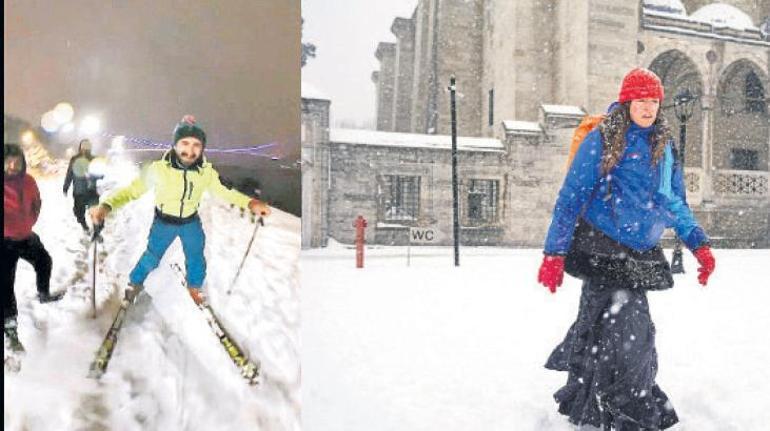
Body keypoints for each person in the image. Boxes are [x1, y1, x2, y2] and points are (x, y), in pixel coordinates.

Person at [537, 68, 716, 430]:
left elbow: (672, 201)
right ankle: (629, 410)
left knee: (607, 330)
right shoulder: (603, 139)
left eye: (654, 101)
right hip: (601, 248)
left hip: (639, 254)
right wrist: (553, 253)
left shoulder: (663, 145)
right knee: (627, 332)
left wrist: (699, 244)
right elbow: (571, 197)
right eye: (641, 100)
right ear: (627, 102)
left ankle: (599, 407)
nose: (648, 108)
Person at [89, 115, 271, 305]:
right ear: (175, 145)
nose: (190, 150)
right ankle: (134, 283)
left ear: (202, 148)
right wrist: (106, 206)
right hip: (163, 222)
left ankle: (194, 286)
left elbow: (227, 193)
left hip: (190, 222)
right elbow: (131, 191)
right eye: (185, 143)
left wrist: (251, 204)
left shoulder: (206, 173)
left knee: (196, 256)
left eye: (196, 145)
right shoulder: (158, 170)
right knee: (151, 256)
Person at [3, 143, 65, 335]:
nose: (13, 166)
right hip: (5, 241)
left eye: (17, 162)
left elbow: (37, 203)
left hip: (26, 236)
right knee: (5, 281)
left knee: (44, 261)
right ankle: (9, 318)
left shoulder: (29, 181)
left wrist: (30, 221)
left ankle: (43, 293)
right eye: (8, 162)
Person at [63, 139, 100, 232]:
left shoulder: (94, 159)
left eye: (87, 147)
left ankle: (96, 229)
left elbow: (100, 174)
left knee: (94, 211)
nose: (85, 149)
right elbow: (70, 174)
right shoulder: (74, 159)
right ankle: (85, 226)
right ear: (80, 147)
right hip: (79, 191)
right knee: (78, 212)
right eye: (83, 147)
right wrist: (66, 186)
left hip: (92, 191)